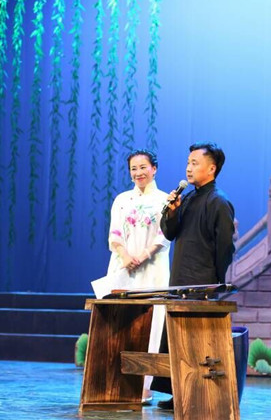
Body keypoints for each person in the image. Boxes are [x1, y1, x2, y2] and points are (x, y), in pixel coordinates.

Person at [151, 142, 236, 409]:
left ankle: (198, 394)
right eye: (188, 162)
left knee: (196, 340)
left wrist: (216, 281)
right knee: (176, 339)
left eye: (195, 163)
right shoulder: (186, 198)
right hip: (180, 279)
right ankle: (178, 392)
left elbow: (225, 247)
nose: (189, 168)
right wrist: (172, 211)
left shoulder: (219, 201)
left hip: (202, 282)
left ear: (212, 168)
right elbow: (169, 233)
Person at [105, 149, 170, 403]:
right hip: (124, 267)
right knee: (120, 322)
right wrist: (124, 256)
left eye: (143, 167)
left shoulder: (165, 199)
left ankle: (145, 386)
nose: (138, 172)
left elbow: (164, 236)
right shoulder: (122, 199)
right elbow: (115, 233)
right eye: (134, 168)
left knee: (152, 323)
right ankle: (117, 383)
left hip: (152, 267)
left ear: (154, 169)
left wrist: (143, 255)